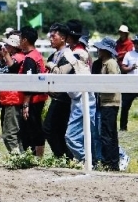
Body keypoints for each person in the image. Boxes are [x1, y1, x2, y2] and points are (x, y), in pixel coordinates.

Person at [61, 20, 95, 162]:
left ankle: (85, 160)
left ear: (68, 36)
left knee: (71, 137)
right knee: (93, 134)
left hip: (82, 98)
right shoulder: (80, 51)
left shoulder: (76, 53)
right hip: (83, 97)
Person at [43, 22, 75, 158]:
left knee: (49, 128)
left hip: (65, 99)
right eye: (50, 36)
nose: (51, 39)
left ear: (63, 38)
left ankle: (63, 155)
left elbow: (61, 75)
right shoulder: (53, 56)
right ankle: (65, 157)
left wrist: (51, 66)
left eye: (53, 36)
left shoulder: (69, 56)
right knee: (57, 130)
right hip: (56, 98)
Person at [17, 27, 48, 157]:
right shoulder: (37, 55)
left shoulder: (30, 59)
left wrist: (26, 104)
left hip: (33, 100)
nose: (19, 41)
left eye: (20, 38)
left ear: (25, 40)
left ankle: (36, 157)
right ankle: (37, 156)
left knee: (32, 129)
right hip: (39, 97)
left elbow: (28, 83)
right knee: (35, 128)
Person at [92, 36, 121, 170]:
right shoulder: (103, 62)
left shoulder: (110, 63)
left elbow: (113, 83)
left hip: (109, 102)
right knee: (110, 133)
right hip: (106, 101)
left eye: (100, 49)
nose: (98, 50)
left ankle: (108, 162)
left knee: (107, 134)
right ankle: (113, 163)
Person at [0, 33, 26, 154]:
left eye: (7, 45)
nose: (4, 47)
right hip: (11, 98)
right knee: (15, 133)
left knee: (9, 134)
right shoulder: (18, 57)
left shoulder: (16, 58)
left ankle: (17, 158)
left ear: (13, 47)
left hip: (13, 99)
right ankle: (21, 156)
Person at [120, 42, 138, 131]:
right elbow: (123, 68)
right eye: (136, 43)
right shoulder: (129, 54)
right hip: (130, 83)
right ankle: (123, 127)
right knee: (125, 106)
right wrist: (131, 68)